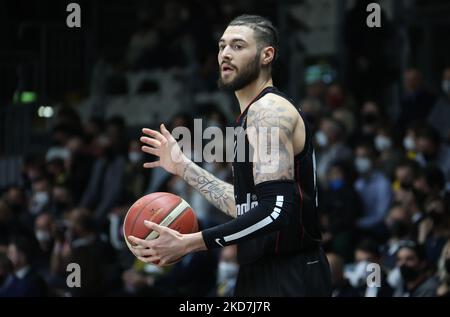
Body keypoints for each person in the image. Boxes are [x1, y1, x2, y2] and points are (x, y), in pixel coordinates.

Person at [128, 14, 331, 297]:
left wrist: (190, 243)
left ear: (266, 55)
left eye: (237, 46)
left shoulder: (269, 111)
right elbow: (247, 206)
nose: (225, 53)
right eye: (222, 46)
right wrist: (184, 167)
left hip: (290, 272)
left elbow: (276, 211)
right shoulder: (246, 119)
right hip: (258, 270)